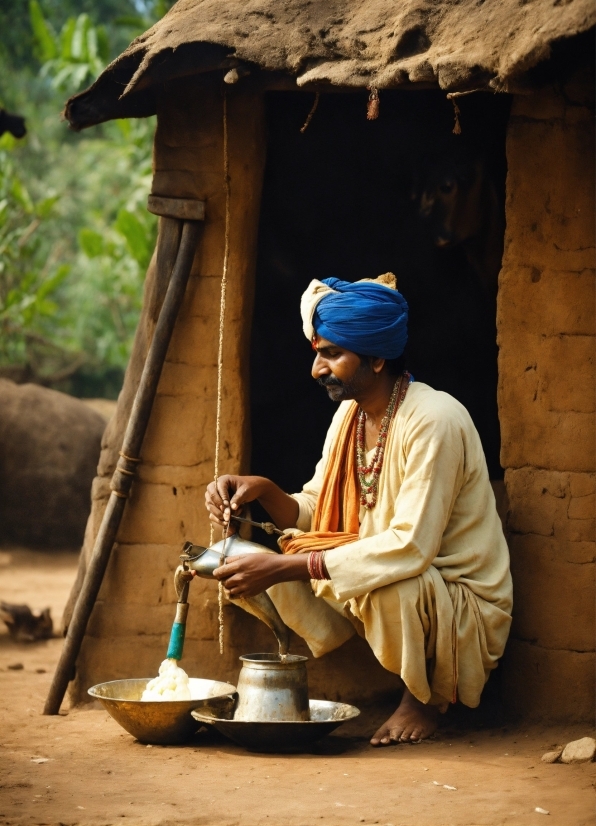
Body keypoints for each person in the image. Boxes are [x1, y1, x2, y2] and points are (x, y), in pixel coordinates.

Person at [205, 273, 512, 745]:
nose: (317, 370)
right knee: (241, 553)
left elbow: (411, 548)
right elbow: (317, 510)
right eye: (318, 354)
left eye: (331, 354)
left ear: (375, 357)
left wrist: (285, 567)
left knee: (388, 584)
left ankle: (426, 699)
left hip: (457, 600)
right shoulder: (349, 415)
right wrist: (263, 490)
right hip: (401, 569)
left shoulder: (435, 419)